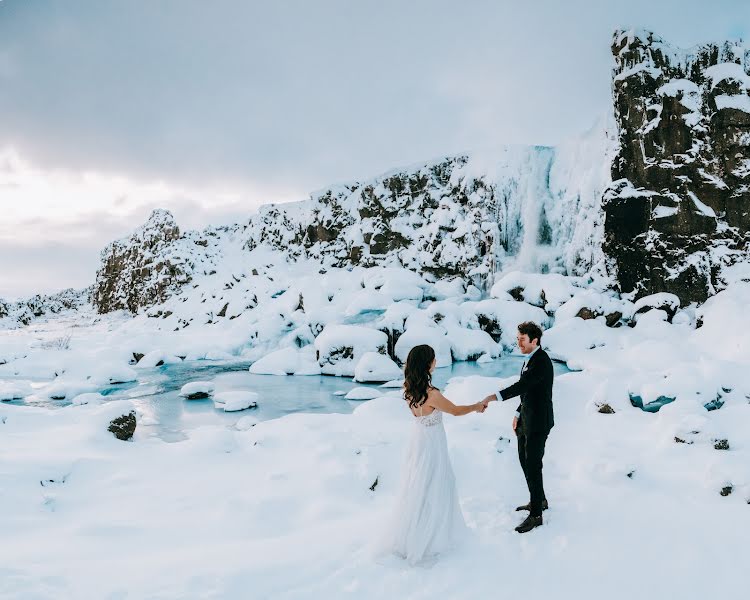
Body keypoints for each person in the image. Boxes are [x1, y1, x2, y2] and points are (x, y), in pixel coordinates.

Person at [377, 344, 486, 566]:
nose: (436, 362)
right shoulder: (432, 394)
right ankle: (433, 537)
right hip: (433, 444)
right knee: (436, 485)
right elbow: (455, 411)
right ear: (428, 364)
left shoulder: (409, 389)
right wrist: (476, 406)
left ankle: (412, 532)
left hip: (418, 441)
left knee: (418, 486)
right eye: (434, 359)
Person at [484, 321, 554, 533]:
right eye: (517, 339)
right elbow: (529, 391)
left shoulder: (541, 361)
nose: (518, 343)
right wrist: (517, 413)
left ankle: (536, 515)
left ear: (534, 340)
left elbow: (523, 385)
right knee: (525, 462)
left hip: (539, 423)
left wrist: (495, 396)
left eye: (522, 340)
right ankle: (539, 500)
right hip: (525, 419)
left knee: (532, 464)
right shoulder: (530, 359)